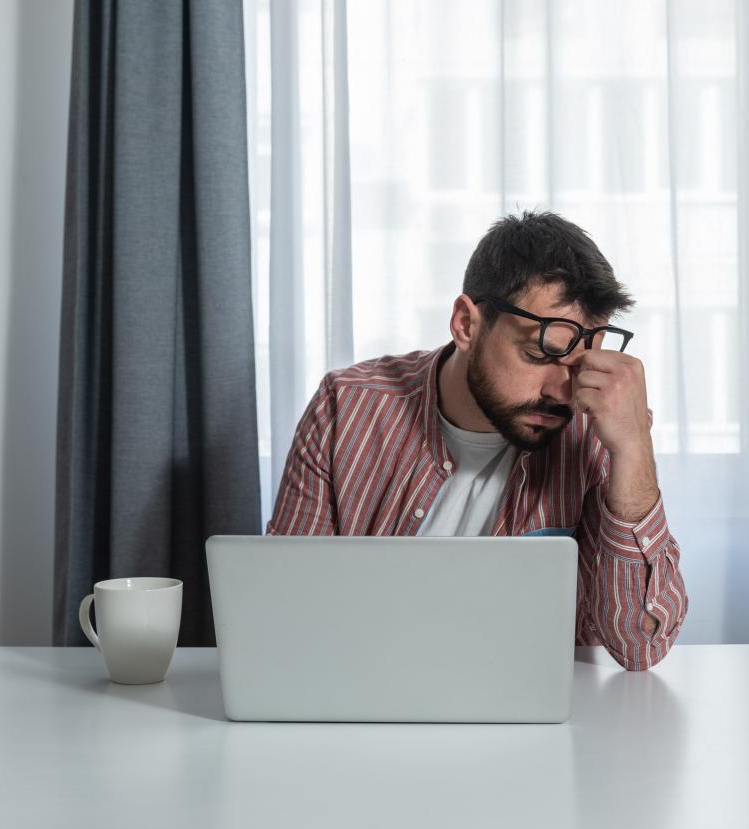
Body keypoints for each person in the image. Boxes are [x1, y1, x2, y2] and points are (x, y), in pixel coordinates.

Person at [267, 210, 687, 670]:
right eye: (538, 355)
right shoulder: (345, 408)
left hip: (536, 718)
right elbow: (287, 612)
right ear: (466, 324)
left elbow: (640, 646)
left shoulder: (597, 429)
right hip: (368, 698)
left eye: (581, 365)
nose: (562, 391)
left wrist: (634, 450)